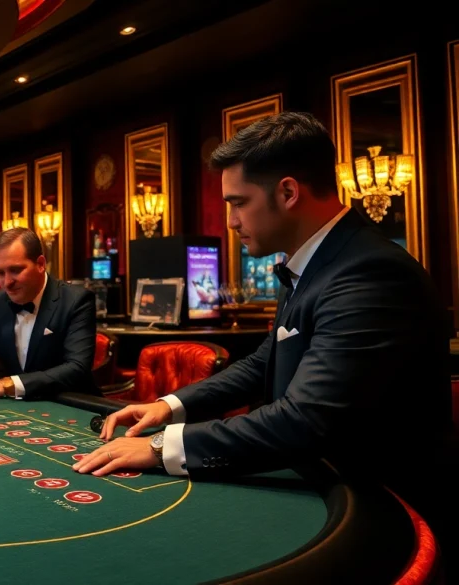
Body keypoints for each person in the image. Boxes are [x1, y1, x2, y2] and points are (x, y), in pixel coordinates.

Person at [72, 111, 455, 561]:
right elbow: (262, 364)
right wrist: (167, 406)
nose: (230, 220)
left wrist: (159, 448)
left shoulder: (368, 272)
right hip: (324, 483)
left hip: (382, 513)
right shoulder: (314, 262)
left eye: (238, 202)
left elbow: (306, 419)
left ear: (288, 192)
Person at [0, 227, 97, 400]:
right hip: (18, 408)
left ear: (40, 264)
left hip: (71, 405)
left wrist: (5, 385)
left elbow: (76, 368)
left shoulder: (76, 300)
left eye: (15, 270)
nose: (7, 282)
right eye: (0, 273)